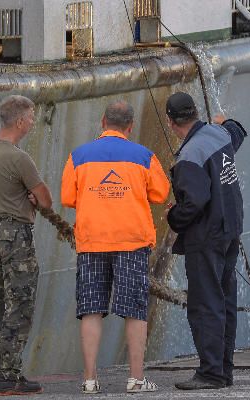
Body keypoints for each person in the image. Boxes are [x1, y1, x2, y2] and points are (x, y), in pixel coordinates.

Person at [61, 100, 170, 394]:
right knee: (134, 310)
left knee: (91, 309)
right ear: (130, 126)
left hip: (92, 241)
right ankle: (135, 379)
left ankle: (89, 379)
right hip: (132, 242)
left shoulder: (79, 156)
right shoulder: (144, 156)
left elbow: (68, 197)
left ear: (102, 121)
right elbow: (160, 194)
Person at [164, 92, 248, 390]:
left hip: (207, 236)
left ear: (171, 122)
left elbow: (195, 201)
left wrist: (174, 216)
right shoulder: (219, 134)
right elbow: (237, 131)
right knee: (225, 301)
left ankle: (211, 373)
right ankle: (224, 370)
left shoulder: (190, 155)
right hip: (230, 229)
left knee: (205, 303)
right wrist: (225, 121)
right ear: (196, 113)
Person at [0, 94, 52, 396]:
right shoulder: (19, 158)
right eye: (32, 117)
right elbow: (46, 200)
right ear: (21, 121)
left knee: (4, 304)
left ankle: (10, 372)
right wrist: (34, 200)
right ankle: (6, 377)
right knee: (20, 306)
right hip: (16, 235)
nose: (34, 122)